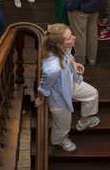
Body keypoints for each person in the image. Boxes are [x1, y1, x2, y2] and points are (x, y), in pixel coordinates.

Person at [36, 24, 100, 152]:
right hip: (59, 97)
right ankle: (59, 140)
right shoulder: (52, 68)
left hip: (70, 83)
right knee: (63, 125)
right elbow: (45, 86)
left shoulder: (61, 47)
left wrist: (74, 63)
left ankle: (83, 121)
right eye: (70, 37)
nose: (74, 38)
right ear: (60, 44)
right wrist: (41, 99)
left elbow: (68, 56)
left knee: (92, 94)